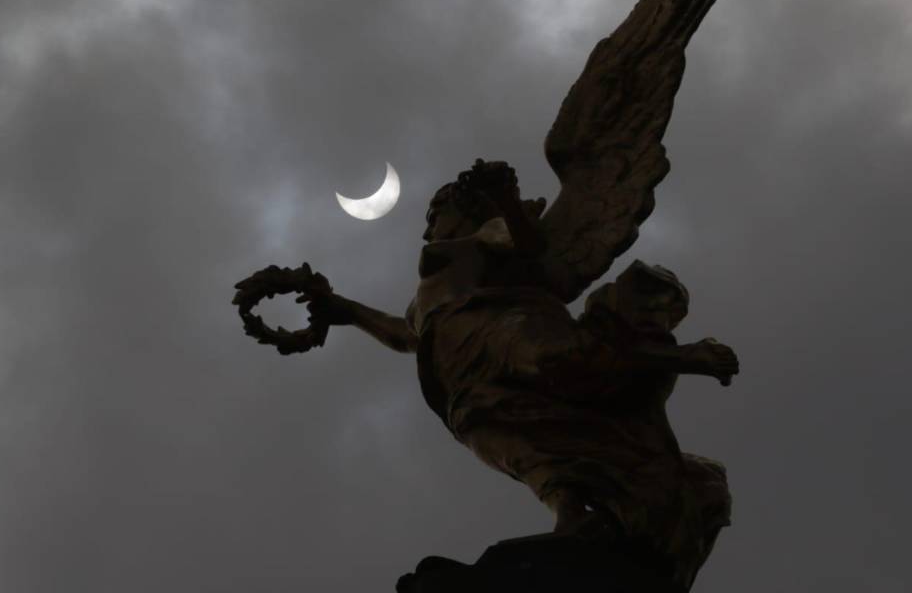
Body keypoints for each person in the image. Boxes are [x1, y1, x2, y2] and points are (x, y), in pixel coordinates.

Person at [303, 159, 737, 587]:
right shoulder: (427, 295)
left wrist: (506, 202)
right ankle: (571, 516)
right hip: (465, 378)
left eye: (435, 214)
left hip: (506, 333)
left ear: (467, 208)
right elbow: (404, 335)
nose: (427, 229)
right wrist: (345, 309)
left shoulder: (485, 235)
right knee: (514, 440)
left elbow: (529, 246)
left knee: (561, 361)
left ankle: (684, 357)